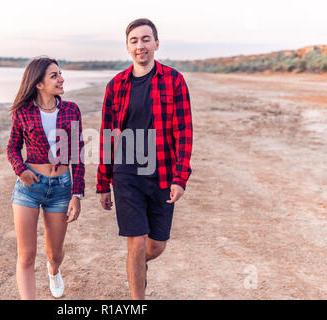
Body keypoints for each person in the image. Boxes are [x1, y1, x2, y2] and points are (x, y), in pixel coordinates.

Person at [96, 18, 193, 300]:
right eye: (135, 41)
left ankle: (135, 268)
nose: (141, 46)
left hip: (162, 171)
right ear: (128, 47)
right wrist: (103, 182)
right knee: (136, 243)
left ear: (156, 44)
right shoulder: (116, 86)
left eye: (146, 39)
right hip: (126, 174)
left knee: (156, 246)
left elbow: (183, 133)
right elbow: (108, 136)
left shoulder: (174, 80)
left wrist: (180, 178)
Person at [7, 57, 85, 300]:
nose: (61, 79)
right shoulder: (22, 112)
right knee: (26, 255)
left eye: (60, 74)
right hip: (29, 188)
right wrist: (21, 170)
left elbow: (77, 154)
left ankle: (54, 271)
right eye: (54, 75)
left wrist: (76, 193)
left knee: (55, 253)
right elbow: (12, 148)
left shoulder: (71, 110)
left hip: (61, 187)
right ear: (38, 83)